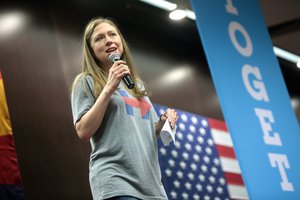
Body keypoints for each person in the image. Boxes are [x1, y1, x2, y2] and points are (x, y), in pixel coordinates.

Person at [71, 17, 178, 200]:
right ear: (91, 50)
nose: (109, 40)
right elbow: (83, 131)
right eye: (99, 38)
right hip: (116, 182)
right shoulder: (85, 81)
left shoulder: (136, 85)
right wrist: (108, 89)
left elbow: (149, 132)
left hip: (152, 186)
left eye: (113, 34)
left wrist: (163, 122)